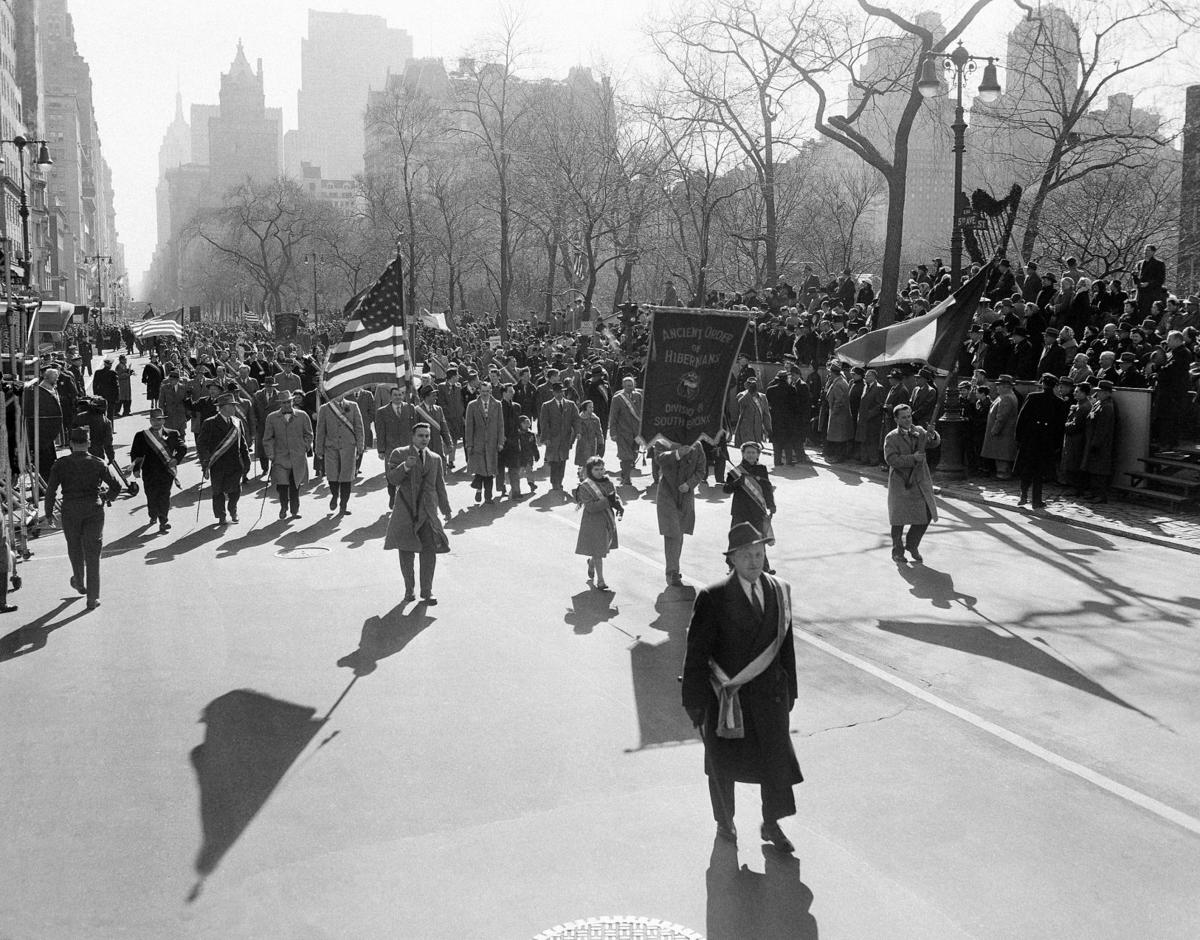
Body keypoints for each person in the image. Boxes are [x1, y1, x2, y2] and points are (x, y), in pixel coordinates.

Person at [681, 521, 801, 852]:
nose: (754, 561)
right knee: (724, 765)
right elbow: (697, 653)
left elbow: (785, 644)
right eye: (746, 555)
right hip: (727, 697)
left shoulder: (780, 590)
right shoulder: (713, 596)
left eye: (759, 553)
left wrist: (790, 689)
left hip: (769, 696)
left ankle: (772, 823)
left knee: (774, 762)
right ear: (731, 559)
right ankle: (725, 820)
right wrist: (693, 700)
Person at [43, 427, 120, 610]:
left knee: (75, 548)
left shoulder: (60, 464)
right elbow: (116, 486)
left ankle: (78, 580)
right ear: (89, 443)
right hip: (94, 509)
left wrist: (48, 514)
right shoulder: (98, 463)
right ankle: (92, 598)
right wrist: (106, 498)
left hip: (70, 510)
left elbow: (51, 490)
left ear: (70, 444)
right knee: (93, 554)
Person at [384, 422, 453, 605]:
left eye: (427, 436)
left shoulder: (436, 458)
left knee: (429, 550)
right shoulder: (399, 454)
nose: (424, 439)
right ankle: (409, 590)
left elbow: (440, 486)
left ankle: (427, 591)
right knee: (406, 550)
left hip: (428, 512)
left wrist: (446, 509)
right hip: (406, 509)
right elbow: (392, 479)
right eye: (421, 436)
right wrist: (405, 467)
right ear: (413, 437)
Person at [884, 403, 941, 564]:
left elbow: (934, 443)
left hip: (920, 480)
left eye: (909, 416)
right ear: (896, 419)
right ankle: (897, 551)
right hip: (901, 482)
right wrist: (912, 458)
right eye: (903, 417)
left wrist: (932, 434)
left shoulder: (919, 432)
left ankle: (912, 544)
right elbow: (891, 459)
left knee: (927, 513)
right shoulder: (892, 437)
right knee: (899, 519)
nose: (908, 420)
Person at [654, 441, 706, 587]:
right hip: (667, 492)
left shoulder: (697, 445)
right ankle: (672, 571)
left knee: (680, 530)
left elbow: (701, 470)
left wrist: (689, 484)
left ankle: (673, 567)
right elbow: (659, 459)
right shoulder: (662, 441)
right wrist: (677, 453)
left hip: (686, 494)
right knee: (673, 531)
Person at [1014, 374, 1069, 509]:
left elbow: (1022, 418)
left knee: (1027, 467)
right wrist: (1057, 444)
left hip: (1030, 438)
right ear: (1055, 386)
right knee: (1039, 471)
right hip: (1046, 441)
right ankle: (1036, 500)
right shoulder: (1059, 402)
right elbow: (1060, 426)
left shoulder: (1033, 397)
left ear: (1042, 384)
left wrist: (1018, 437)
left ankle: (1023, 495)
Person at [198, 392, 251, 526]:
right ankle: (221, 515)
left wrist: (246, 459)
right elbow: (202, 444)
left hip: (235, 463)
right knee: (218, 491)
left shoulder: (237, 422)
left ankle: (233, 510)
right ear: (222, 407)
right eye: (231, 405)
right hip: (218, 463)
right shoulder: (209, 423)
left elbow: (242, 442)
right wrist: (205, 460)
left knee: (236, 490)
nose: (234, 408)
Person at [130, 408, 186, 534]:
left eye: (160, 419)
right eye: (154, 420)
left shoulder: (172, 433)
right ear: (150, 420)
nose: (157, 422)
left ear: (164, 420)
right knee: (151, 495)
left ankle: (163, 521)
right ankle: (153, 514)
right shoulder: (141, 435)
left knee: (164, 496)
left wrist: (176, 459)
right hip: (149, 472)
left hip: (166, 471)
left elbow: (182, 447)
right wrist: (136, 469)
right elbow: (135, 453)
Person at [724, 442, 776, 574]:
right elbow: (726, 489)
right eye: (748, 452)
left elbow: (767, 488)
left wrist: (771, 504)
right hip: (740, 511)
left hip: (757, 510)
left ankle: (764, 567)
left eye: (753, 453)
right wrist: (737, 482)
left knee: (759, 539)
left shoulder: (762, 469)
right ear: (743, 454)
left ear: (758, 454)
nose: (751, 455)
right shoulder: (736, 471)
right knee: (737, 538)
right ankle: (733, 566)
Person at [573, 455, 623, 591]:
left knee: (600, 550)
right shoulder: (585, 487)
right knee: (598, 551)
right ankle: (600, 580)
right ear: (590, 471)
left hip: (607, 520)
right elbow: (590, 507)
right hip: (593, 522)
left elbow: (615, 497)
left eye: (602, 469)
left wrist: (618, 505)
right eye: (596, 469)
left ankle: (591, 563)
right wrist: (608, 500)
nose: (600, 472)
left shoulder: (608, 482)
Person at [262, 390, 314, 520]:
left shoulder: (302, 416)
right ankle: (283, 507)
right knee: (282, 486)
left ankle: (294, 510)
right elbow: (267, 438)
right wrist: (271, 454)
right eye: (284, 403)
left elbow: (309, 434)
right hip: (280, 457)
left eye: (289, 402)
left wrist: (304, 447)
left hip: (297, 457)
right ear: (280, 404)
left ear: (292, 401)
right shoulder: (272, 417)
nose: (287, 405)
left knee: (295, 485)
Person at [316, 394, 365, 516]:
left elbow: (359, 427)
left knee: (346, 477)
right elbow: (320, 430)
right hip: (331, 447)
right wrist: (319, 449)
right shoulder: (325, 408)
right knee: (332, 475)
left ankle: (343, 505)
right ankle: (334, 495)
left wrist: (360, 446)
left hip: (348, 446)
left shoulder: (353, 406)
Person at [464, 379, 506, 503]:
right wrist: (469, 444)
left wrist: (500, 442)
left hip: (492, 443)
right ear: (479, 391)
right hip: (478, 443)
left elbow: (500, 424)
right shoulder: (472, 405)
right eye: (483, 391)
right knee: (481, 469)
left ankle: (488, 497)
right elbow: (469, 426)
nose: (485, 394)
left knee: (490, 471)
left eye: (487, 391)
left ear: (491, 391)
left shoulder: (497, 404)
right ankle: (478, 490)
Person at [538, 381, 578, 492]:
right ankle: (554, 482)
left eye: (561, 392)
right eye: (557, 392)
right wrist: (545, 438)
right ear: (553, 393)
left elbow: (576, 419)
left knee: (563, 460)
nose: (559, 394)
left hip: (565, 438)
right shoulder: (546, 406)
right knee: (554, 461)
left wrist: (577, 432)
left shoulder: (570, 405)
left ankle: (560, 481)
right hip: (553, 438)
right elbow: (543, 423)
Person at [1083, 380, 1117, 503]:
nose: (1098, 394)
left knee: (1100, 470)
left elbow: (1103, 428)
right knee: (1093, 468)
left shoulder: (1107, 407)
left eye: (1101, 392)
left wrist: (1096, 443)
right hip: (1094, 439)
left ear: (1107, 393)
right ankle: (1094, 491)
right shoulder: (1100, 403)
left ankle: (1100, 494)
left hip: (1102, 443)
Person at [981, 375, 1019, 479]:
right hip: (1004, 432)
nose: (997, 387)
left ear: (1006, 386)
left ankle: (1003, 473)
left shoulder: (1006, 398)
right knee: (1000, 454)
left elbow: (1002, 417)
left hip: (1003, 433)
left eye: (999, 385)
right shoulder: (1006, 396)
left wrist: (995, 430)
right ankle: (1002, 472)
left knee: (1002, 454)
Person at [609, 376, 643, 485]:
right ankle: (627, 478)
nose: (630, 388)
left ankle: (625, 473)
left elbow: (642, 412)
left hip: (636, 432)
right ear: (623, 386)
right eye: (628, 386)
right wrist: (613, 433)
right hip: (623, 431)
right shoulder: (618, 398)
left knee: (633, 455)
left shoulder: (638, 396)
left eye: (632, 385)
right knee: (625, 456)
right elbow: (613, 416)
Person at [573, 399, 605, 470]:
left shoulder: (595, 419)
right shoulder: (579, 418)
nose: (592, 409)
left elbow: (599, 432)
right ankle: (582, 472)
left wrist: (601, 443)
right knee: (583, 461)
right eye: (590, 407)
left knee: (590, 462)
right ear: (585, 408)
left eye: (592, 407)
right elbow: (576, 430)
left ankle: (586, 474)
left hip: (592, 443)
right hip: (582, 443)